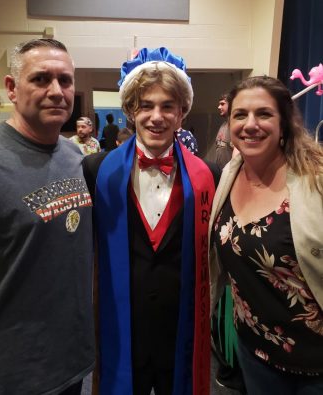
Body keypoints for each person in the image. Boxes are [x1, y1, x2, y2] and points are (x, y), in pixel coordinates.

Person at [83, 47, 219, 395]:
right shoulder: (97, 170)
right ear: (130, 111)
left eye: (167, 106)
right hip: (123, 326)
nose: (156, 117)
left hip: (181, 328)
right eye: (146, 105)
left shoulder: (208, 175)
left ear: (181, 113)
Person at [0, 38, 95, 395]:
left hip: (72, 364)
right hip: (6, 374)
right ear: (11, 88)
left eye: (65, 80)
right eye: (41, 79)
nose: (56, 91)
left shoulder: (76, 159)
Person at [209, 76, 323, 395]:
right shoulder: (229, 176)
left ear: (284, 123)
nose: (251, 124)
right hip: (254, 352)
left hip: (314, 365)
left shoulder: (315, 181)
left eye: (264, 114)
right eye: (240, 114)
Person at [215, 93, 233, 169]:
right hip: (220, 171)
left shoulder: (235, 126)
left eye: (222, 104)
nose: (219, 107)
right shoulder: (223, 126)